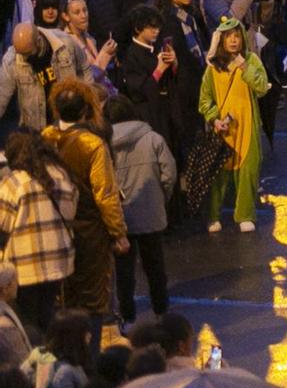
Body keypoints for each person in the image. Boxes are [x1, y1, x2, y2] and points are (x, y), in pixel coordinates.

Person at [41, 82, 124, 326]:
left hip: (54, 226)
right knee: (91, 299)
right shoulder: (92, 144)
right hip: (89, 230)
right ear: (85, 109)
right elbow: (105, 193)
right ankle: (89, 357)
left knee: (62, 297)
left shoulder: (45, 138)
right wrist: (118, 232)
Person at [104, 96, 173, 325]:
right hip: (151, 213)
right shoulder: (153, 139)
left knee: (124, 272)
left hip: (120, 215)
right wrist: (161, 198)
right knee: (155, 266)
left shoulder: (103, 145)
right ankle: (161, 311)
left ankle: (128, 315)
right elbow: (169, 174)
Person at [198, 17, 268, 233]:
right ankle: (213, 215)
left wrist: (245, 67)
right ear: (221, 40)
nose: (234, 41)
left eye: (237, 36)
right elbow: (204, 100)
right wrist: (214, 119)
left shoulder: (252, 60)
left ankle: (245, 214)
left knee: (248, 171)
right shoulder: (212, 69)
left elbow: (262, 87)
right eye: (229, 37)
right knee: (218, 174)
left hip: (247, 127)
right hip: (223, 131)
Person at [0, 132, 73, 335]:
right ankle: (52, 359)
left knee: (28, 318)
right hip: (58, 259)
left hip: (23, 264)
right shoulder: (60, 174)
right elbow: (70, 212)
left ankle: (36, 361)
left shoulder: (13, 183)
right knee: (48, 312)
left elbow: (2, 224)